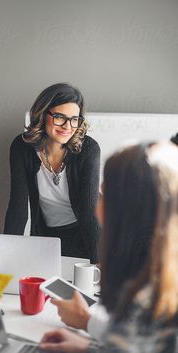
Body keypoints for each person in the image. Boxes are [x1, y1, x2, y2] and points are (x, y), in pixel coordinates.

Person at [39, 141, 178, 353]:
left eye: (105, 192)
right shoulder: (160, 281)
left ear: (126, 209)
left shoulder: (144, 298)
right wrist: (87, 342)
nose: (97, 203)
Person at [4, 83, 101, 263]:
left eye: (74, 119)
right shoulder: (21, 147)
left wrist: (100, 264)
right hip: (46, 236)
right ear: (42, 115)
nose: (67, 126)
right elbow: (18, 207)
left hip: (86, 235)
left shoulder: (88, 149)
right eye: (59, 117)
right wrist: (4, 257)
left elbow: (90, 213)